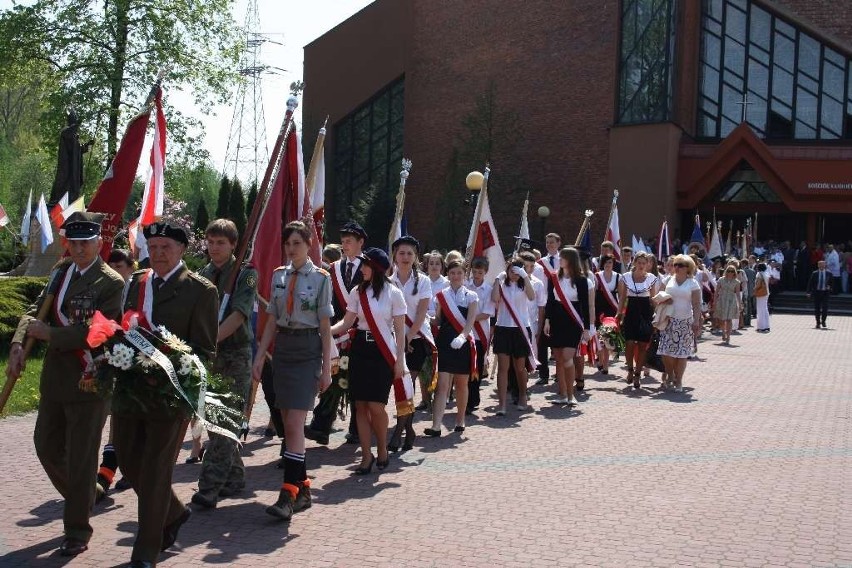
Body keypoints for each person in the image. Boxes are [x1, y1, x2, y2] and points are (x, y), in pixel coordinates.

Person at [6, 212, 125, 558]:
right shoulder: (60, 272)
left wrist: (51, 335)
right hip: (56, 380)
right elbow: (35, 310)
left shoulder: (111, 283)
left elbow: (99, 332)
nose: (79, 248)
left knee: (82, 458)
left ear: (99, 243)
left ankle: (76, 529)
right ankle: (86, 494)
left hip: (89, 379)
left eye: (85, 242)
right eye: (73, 242)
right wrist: (18, 342)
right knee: (46, 445)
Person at [111, 221, 218, 566]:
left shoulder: (200, 291)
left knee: (157, 470)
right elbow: (122, 327)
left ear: (182, 250)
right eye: (153, 248)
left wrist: (179, 375)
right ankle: (172, 511)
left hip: (170, 395)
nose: (157, 254)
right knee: (127, 460)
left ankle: (145, 552)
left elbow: (204, 348)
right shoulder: (137, 283)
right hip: (131, 388)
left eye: (165, 248)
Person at [253, 221, 333, 521]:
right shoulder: (278, 276)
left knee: (296, 424)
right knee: (288, 424)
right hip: (283, 350)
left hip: (308, 349)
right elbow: (272, 319)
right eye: (288, 243)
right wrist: (261, 356)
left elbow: (325, 329)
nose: (292, 248)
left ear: (309, 244)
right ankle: (304, 488)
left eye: (297, 243)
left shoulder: (321, 278)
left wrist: (326, 369)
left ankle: (287, 494)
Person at [190, 219, 259, 509]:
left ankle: (208, 486)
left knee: (226, 421)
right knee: (214, 421)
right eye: (211, 242)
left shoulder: (244, 274)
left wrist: (210, 341)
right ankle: (234, 477)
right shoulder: (202, 275)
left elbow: (239, 316)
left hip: (234, 355)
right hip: (208, 357)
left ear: (233, 245)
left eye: (221, 243)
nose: (215, 248)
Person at [330, 248, 407, 474]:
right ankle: (366, 456)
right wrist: (326, 330)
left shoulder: (394, 293)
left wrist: (400, 361)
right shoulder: (357, 292)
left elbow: (400, 332)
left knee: (377, 406)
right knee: (360, 406)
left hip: (382, 352)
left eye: (365, 265)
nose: (361, 268)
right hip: (361, 351)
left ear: (376, 269)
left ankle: (382, 448)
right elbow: (346, 323)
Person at [305, 222, 367, 446]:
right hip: (336, 333)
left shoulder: (369, 268)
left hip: (359, 332)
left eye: (350, 240)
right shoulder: (334, 269)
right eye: (344, 240)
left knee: (357, 383)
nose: (346, 244)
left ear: (361, 242)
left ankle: (357, 430)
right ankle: (321, 426)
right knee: (334, 379)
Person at [96, 248, 137, 501]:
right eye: (111, 266)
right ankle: (107, 472)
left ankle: (114, 470)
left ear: (131, 267)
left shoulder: (138, 288)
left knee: (126, 417)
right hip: (114, 356)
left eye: (120, 266)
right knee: (116, 414)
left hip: (136, 358)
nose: (115, 271)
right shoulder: (108, 289)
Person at [388, 236, 433, 451]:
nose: (405, 257)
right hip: (394, 342)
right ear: (395, 256)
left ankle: (398, 431)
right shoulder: (388, 281)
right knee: (400, 386)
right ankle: (410, 431)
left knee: (407, 385)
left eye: (409, 254)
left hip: (417, 340)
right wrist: (398, 340)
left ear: (415, 257)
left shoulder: (423, 281)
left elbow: (422, 313)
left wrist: (408, 338)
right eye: (401, 253)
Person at [427, 259, 479, 435]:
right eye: (452, 273)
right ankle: (436, 425)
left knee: (461, 384)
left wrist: (462, 337)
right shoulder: (441, 296)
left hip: (462, 343)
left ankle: (460, 419)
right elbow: (439, 320)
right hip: (445, 343)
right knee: (442, 385)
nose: (456, 276)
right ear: (447, 275)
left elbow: (470, 323)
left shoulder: (471, 296)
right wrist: (426, 318)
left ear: (464, 275)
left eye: (459, 273)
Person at [543, 247, 594, 406]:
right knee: (558, 359)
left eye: (563, 257)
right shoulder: (553, 278)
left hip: (573, 321)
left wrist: (587, 328)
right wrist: (547, 320)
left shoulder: (581, 280)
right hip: (557, 320)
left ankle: (571, 395)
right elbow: (550, 301)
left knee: (567, 357)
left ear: (570, 260)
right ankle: (563, 394)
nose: (559, 260)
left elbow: (585, 305)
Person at [491, 257, 537, 415]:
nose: (514, 274)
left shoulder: (524, 285)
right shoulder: (502, 284)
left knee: (519, 367)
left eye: (518, 270)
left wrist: (524, 276)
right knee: (503, 368)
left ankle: (523, 395)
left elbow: (532, 297)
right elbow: (495, 299)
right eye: (512, 270)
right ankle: (502, 404)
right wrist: (498, 278)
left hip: (521, 329)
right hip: (503, 328)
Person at [654, 255, 702, 393]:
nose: (677, 267)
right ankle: (670, 375)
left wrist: (697, 321)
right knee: (666, 352)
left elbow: (697, 304)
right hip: (668, 321)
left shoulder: (693, 283)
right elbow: (658, 297)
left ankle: (679, 379)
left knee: (682, 353)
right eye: (675, 264)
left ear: (688, 268)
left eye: (680, 265)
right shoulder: (668, 279)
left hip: (685, 321)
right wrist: (664, 300)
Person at [616, 251, 659, 389]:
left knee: (642, 346)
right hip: (631, 312)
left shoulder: (651, 278)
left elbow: (653, 299)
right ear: (634, 263)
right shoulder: (626, 277)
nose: (641, 265)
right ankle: (629, 369)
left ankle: (637, 374)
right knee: (629, 343)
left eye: (643, 263)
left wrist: (659, 314)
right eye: (639, 263)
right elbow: (622, 297)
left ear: (647, 265)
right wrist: (619, 313)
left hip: (646, 312)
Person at [465, 257, 495, 414]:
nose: (477, 275)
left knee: (475, 367)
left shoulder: (489, 290)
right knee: (465, 366)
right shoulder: (465, 286)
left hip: (480, 333)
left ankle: (473, 399)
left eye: (480, 272)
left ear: (485, 272)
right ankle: (464, 397)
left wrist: (469, 318)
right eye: (475, 271)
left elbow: (487, 313)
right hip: (465, 333)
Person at [533, 233, 561, 386]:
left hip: (558, 303)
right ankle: (543, 374)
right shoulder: (540, 264)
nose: (549, 245)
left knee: (558, 339)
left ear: (558, 243)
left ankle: (559, 373)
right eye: (547, 242)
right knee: (542, 341)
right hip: (544, 303)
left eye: (552, 242)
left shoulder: (563, 261)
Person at [594, 254, 620, 374]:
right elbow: (593, 294)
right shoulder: (597, 276)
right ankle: (600, 359)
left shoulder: (618, 277)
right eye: (606, 262)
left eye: (610, 262)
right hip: (599, 308)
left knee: (608, 337)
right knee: (599, 336)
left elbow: (621, 295)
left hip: (611, 309)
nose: (608, 265)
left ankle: (605, 365)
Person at [713, 265, 742, 345]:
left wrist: (740, 304)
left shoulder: (736, 282)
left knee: (729, 319)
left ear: (734, 273)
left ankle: (728, 336)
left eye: (732, 271)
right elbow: (716, 291)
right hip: (722, 300)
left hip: (731, 301)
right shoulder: (721, 280)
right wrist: (714, 301)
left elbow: (738, 294)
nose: (730, 273)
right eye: (728, 271)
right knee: (721, 319)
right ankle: (723, 332)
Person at [806, 260, 833, 329]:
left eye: (823, 265)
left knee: (825, 308)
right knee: (817, 308)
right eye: (820, 265)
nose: (821, 266)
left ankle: (823, 321)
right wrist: (808, 292)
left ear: (825, 265)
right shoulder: (815, 273)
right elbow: (810, 283)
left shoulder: (829, 273)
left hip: (825, 293)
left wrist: (830, 287)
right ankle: (818, 323)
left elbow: (832, 283)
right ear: (818, 266)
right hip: (817, 292)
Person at [754, 262, 771, 332]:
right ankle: (767, 325)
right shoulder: (766, 274)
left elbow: (758, 285)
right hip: (766, 292)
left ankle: (761, 327)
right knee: (765, 309)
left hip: (761, 293)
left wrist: (754, 289)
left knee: (760, 310)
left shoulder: (759, 274)